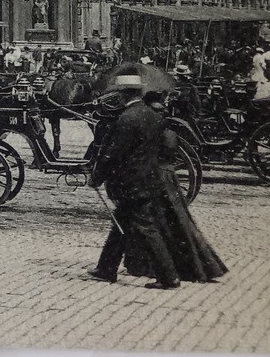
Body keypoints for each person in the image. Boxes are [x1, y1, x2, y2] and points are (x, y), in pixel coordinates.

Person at [88, 74, 226, 289]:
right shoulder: (152, 116)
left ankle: (168, 277)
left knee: (146, 228)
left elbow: (112, 154)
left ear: (123, 94)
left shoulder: (126, 119)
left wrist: (96, 177)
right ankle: (106, 268)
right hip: (150, 179)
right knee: (120, 224)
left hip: (133, 182)